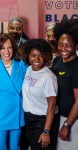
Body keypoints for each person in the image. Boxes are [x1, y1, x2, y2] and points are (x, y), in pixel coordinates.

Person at [0, 33, 27, 150]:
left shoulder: (21, 64)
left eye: (10, 47)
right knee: (0, 147)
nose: (6, 51)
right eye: (2, 48)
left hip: (17, 112)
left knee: (15, 147)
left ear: (14, 48)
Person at [22, 39, 59, 150]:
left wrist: (46, 131)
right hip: (30, 119)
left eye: (40, 56)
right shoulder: (29, 69)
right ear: (28, 56)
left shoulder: (49, 77)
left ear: (45, 57)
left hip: (43, 121)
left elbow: (52, 106)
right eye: (33, 55)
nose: (37, 59)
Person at [51, 19, 78, 150]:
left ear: (76, 46)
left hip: (72, 119)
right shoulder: (56, 61)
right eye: (61, 44)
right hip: (58, 116)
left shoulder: (77, 67)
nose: (63, 49)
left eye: (68, 45)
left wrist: (67, 124)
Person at [8, 17, 29, 150]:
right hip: (7, 95)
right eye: (12, 28)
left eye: (18, 28)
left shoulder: (28, 45)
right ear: (8, 28)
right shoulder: (2, 45)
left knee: (22, 135)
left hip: (24, 94)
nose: (14, 31)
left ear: (22, 30)